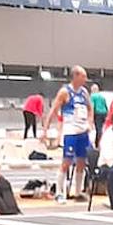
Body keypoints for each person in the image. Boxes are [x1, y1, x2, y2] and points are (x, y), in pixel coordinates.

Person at [45, 67, 95, 201]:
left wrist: (90, 123)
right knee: (66, 162)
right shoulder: (65, 92)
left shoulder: (84, 92)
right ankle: (60, 192)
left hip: (83, 131)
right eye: (83, 76)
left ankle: (78, 192)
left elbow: (91, 109)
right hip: (70, 132)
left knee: (81, 162)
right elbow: (53, 110)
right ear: (76, 76)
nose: (85, 79)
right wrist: (45, 129)